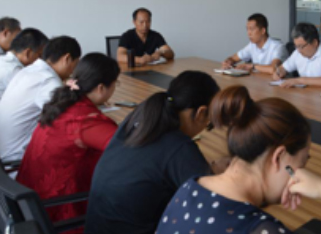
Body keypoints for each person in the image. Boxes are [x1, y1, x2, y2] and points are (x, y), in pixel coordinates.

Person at [156, 85, 321, 234]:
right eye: (301, 164)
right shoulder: (262, 229)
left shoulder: (188, 188)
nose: (301, 174)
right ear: (278, 156)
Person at [85, 71, 221, 234]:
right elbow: (214, 206)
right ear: (201, 113)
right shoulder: (179, 148)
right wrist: (218, 176)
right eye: (209, 123)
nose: (206, 127)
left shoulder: (138, 120)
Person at [17, 53, 120, 232]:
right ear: (101, 88)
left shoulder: (63, 104)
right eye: (115, 84)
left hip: (31, 205)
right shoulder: (85, 120)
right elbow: (127, 149)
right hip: (58, 210)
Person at [0, 36, 81, 163]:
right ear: (67, 59)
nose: (73, 71)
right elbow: (69, 119)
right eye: (76, 64)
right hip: (15, 161)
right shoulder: (48, 80)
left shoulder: (30, 71)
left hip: (0, 158)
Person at [0, 28, 48, 113]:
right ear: (28, 53)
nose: (41, 60)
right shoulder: (15, 70)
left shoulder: (1, 61)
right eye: (40, 55)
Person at [273, 23, 321, 88]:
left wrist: (299, 81)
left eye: (301, 46)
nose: (299, 50)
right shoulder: (297, 53)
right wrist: (279, 72)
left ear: (314, 43)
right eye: (296, 46)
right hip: (305, 93)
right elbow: (283, 68)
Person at [222, 13, 288, 74]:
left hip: (281, 82)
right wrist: (228, 61)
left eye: (251, 29)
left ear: (263, 31)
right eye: (247, 29)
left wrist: (252, 66)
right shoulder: (252, 45)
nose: (249, 33)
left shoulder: (278, 46)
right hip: (260, 81)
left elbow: (274, 69)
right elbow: (233, 58)